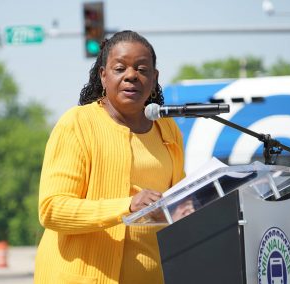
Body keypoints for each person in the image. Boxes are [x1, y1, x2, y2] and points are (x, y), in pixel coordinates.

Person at [34, 30, 187, 284]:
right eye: (120, 69)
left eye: (142, 69)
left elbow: (176, 201)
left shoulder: (168, 129)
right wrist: (127, 206)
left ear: (154, 77)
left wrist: (184, 207)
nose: (131, 76)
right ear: (103, 76)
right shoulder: (77, 124)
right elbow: (52, 209)